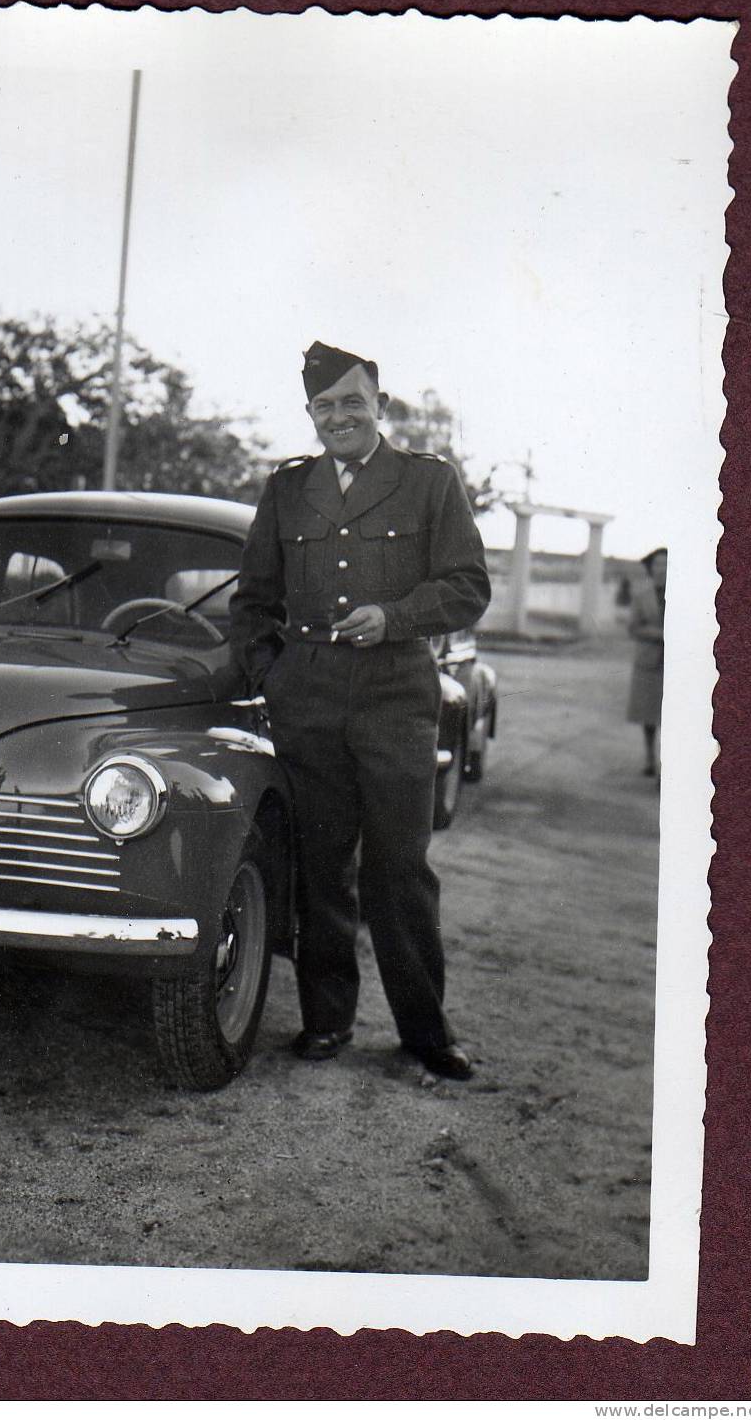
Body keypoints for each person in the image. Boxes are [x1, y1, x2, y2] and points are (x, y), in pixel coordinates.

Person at [229, 340, 491, 1080]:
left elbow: (468, 586)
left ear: (380, 405)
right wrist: (273, 676)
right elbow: (251, 602)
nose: (338, 417)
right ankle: (325, 1022)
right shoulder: (287, 489)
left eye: (352, 402)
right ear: (309, 415)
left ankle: (424, 1032)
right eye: (323, 406)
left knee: (399, 868)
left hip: (395, 696)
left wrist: (396, 617)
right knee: (319, 866)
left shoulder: (427, 483)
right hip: (306, 697)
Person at [626, 547, 667, 776]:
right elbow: (633, 628)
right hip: (647, 663)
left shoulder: (682, 596)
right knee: (648, 715)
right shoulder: (641, 596)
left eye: (666, 565)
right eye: (657, 565)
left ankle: (666, 764)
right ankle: (650, 758)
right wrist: (661, 635)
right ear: (651, 569)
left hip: (674, 664)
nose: (662, 570)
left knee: (670, 716)